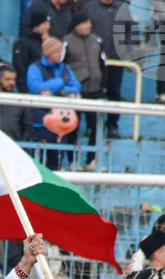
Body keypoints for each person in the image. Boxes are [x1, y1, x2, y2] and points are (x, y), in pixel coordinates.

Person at [28, 36, 81, 170]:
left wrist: (55, 88)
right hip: (41, 122)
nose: (60, 55)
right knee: (37, 164)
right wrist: (61, 84)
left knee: (56, 163)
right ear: (49, 52)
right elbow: (36, 88)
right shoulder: (35, 68)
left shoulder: (65, 68)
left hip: (62, 125)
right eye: (57, 52)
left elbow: (76, 86)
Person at [62, 11, 105, 167]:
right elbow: (62, 66)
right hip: (76, 93)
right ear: (76, 25)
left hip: (94, 90)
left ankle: (90, 160)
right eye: (85, 23)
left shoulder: (97, 40)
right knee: (73, 126)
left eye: (89, 22)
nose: (89, 25)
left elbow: (103, 64)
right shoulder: (66, 41)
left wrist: (103, 86)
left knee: (95, 126)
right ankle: (72, 161)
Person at [84, 0, 125, 138]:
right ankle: (91, 126)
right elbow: (83, 30)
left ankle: (112, 125)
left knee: (114, 93)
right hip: (95, 60)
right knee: (93, 92)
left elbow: (131, 31)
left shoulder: (122, 8)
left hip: (116, 59)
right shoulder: (89, 8)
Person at [0, 66, 34, 141]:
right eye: (7, 79)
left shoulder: (19, 101)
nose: (11, 83)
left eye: (14, 80)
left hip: (13, 148)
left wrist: (21, 146)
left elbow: (28, 127)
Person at [12, 7, 52, 93]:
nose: (48, 27)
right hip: (29, 91)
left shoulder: (47, 42)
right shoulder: (22, 43)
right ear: (36, 26)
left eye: (48, 24)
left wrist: (48, 43)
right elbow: (20, 69)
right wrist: (24, 91)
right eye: (45, 24)